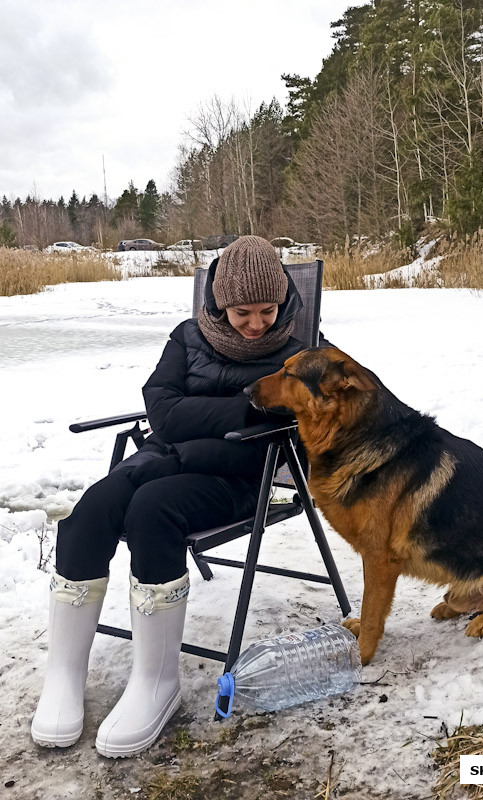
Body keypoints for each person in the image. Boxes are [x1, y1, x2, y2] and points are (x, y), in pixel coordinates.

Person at [31, 235, 311, 758]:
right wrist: (242, 412)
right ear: (217, 303)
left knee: (151, 512)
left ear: (284, 301)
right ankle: (64, 675)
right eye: (241, 312)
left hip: (242, 475)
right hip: (164, 457)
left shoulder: (300, 355)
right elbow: (161, 411)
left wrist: (191, 443)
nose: (256, 324)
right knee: (89, 513)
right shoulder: (187, 336)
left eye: (268, 311)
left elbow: (282, 437)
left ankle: (156, 682)